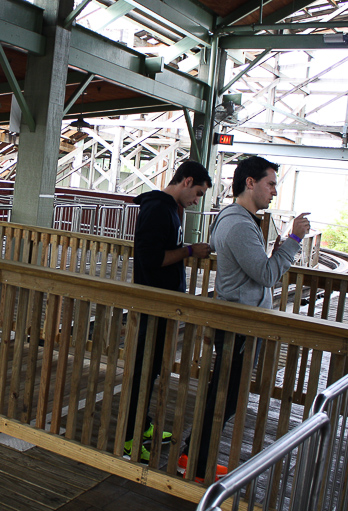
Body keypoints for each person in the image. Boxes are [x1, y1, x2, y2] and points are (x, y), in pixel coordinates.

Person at [177, 156, 311, 483]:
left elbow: (253, 268)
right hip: (238, 325)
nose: (274, 192)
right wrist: (293, 241)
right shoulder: (239, 223)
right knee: (225, 396)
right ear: (250, 183)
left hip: (239, 321)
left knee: (224, 394)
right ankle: (193, 462)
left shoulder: (237, 218)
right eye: (271, 184)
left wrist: (277, 251)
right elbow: (266, 274)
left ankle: (193, 457)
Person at [125, 160, 213, 462]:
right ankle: (128, 435)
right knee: (143, 368)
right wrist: (189, 251)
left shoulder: (169, 209)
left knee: (150, 368)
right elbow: (150, 259)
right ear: (187, 181)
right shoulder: (157, 209)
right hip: (153, 300)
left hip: (163, 301)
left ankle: (141, 424)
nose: (197, 200)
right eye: (199, 193)